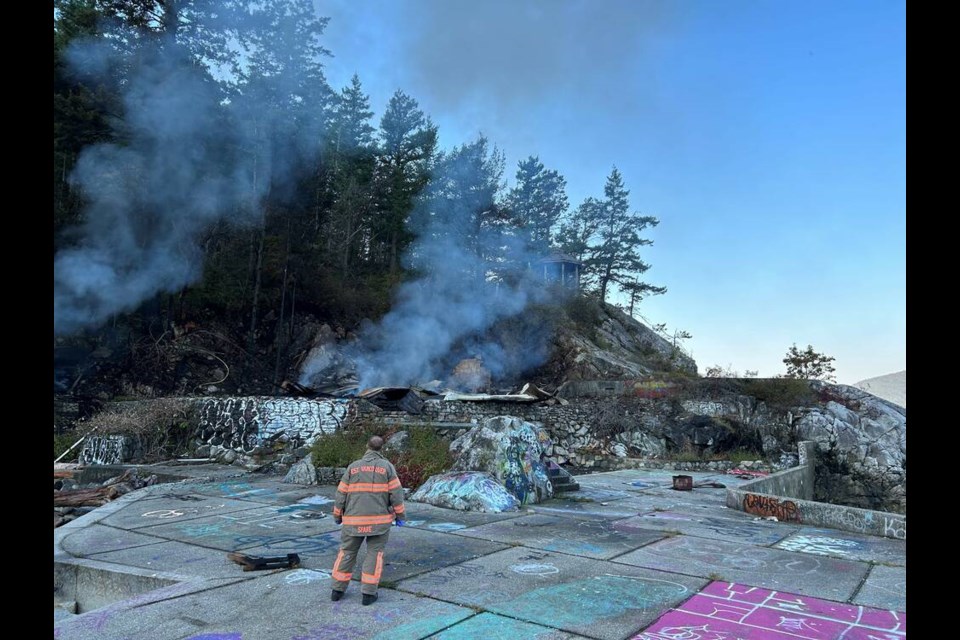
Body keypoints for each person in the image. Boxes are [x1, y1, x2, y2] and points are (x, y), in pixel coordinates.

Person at [330, 435, 405, 605]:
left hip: (352, 521)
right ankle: (368, 594)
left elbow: (340, 494)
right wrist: (400, 516)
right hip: (379, 523)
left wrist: (337, 515)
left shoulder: (353, 467)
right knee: (374, 554)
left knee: (347, 552)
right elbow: (397, 494)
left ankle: (337, 590)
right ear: (381, 449)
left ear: (367, 446)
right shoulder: (387, 467)